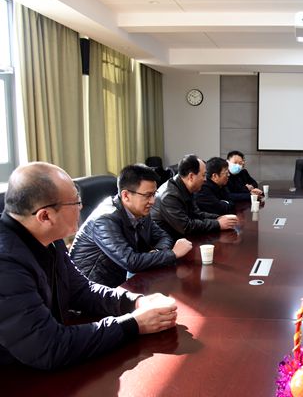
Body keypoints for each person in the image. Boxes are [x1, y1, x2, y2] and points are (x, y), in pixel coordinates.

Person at [0, 162, 178, 370]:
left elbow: (82, 290)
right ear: (45, 216)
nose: (82, 207)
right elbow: (49, 346)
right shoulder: (6, 263)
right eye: (76, 202)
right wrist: (134, 324)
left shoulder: (50, 239)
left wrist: (135, 302)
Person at [70, 164, 193, 288]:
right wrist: (172, 254)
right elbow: (130, 261)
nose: (152, 201)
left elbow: (163, 236)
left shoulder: (140, 211)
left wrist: (157, 252)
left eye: (154, 194)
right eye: (147, 195)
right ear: (126, 196)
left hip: (122, 278)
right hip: (92, 287)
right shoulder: (105, 220)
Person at [151, 154, 238, 238]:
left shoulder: (187, 186)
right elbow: (186, 227)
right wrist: (218, 224)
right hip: (168, 241)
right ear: (191, 176)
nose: (205, 179)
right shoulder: (169, 196)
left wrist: (219, 218)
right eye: (203, 175)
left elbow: (196, 214)